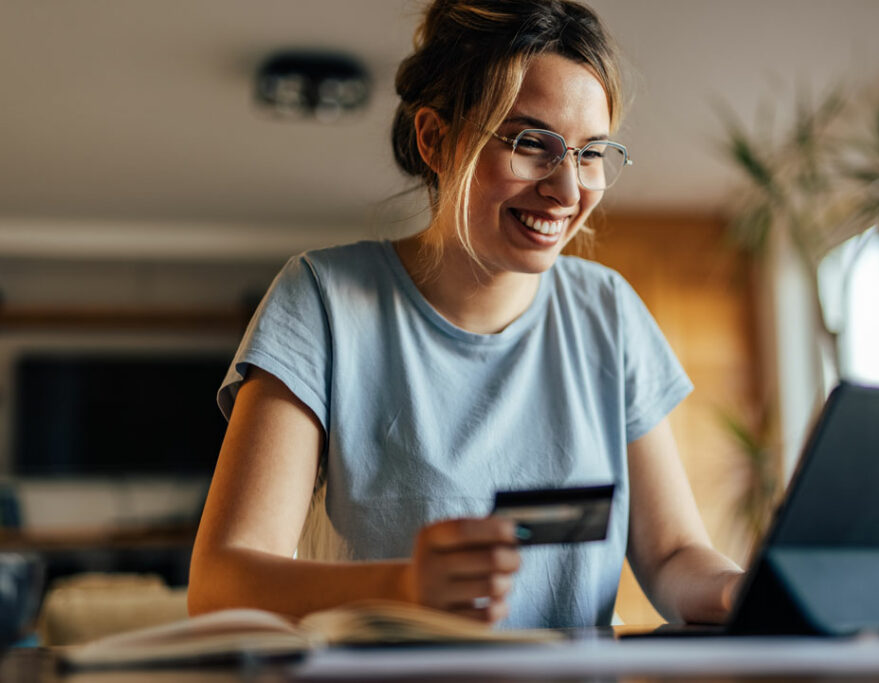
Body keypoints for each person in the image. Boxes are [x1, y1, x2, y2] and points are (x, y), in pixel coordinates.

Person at [189, 0, 743, 629]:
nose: (567, 192)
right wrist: (404, 585)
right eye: (533, 144)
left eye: (591, 154)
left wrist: (738, 592)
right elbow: (221, 584)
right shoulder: (322, 300)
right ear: (436, 138)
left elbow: (672, 554)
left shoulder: (609, 313)